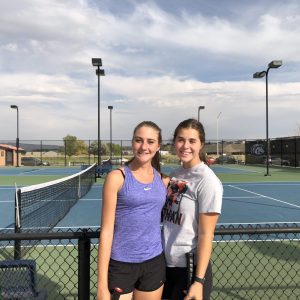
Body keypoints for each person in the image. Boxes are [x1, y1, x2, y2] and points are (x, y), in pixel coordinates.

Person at [97, 121, 169, 300]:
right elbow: (106, 231)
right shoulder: (117, 178)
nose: (144, 146)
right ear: (132, 143)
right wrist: (101, 286)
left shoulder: (163, 180)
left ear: (158, 146)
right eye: (139, 140)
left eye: (150, 142)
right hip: (121, 265)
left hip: (154, 263)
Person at [162, 118, 223, 300]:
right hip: (166, 265)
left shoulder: (207, 181)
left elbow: (206, 234)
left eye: (192, 141)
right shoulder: (175, 175)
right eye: (181, 140)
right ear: (174, 142)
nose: (185, 145)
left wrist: (198, 281)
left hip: (189, 269)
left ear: (201, 144)